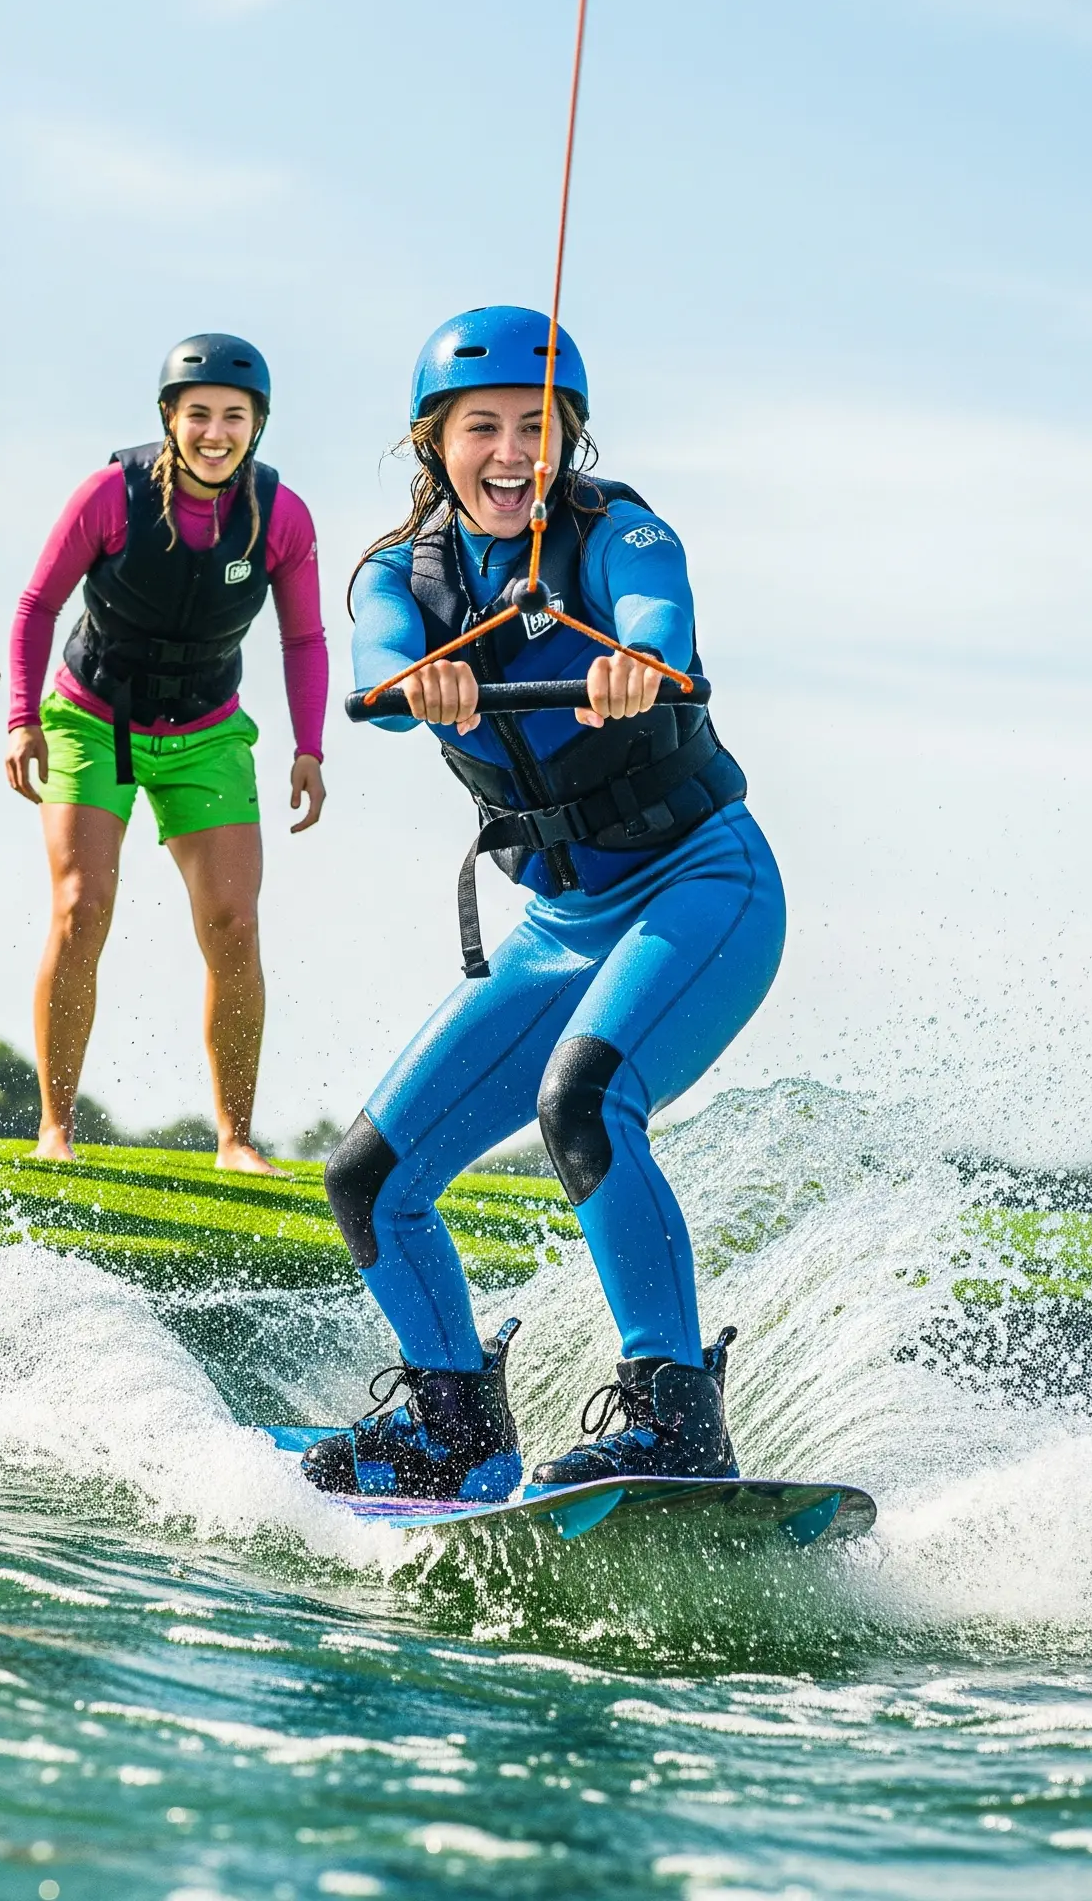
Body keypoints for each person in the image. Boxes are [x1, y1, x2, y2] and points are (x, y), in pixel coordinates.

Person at [302, 306, 783, 1501]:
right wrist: (418, 679)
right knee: (368, 1175)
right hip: (557, 921)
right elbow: (373, 664)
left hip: (699, 884)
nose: (511, 451)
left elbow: (659, 618)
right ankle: (452, 1421)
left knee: (583, 1101)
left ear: (568, 435)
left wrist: (637, 663)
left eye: (536, 426)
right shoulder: (394, 574)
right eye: (482, 428)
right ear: (433, 443)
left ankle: (674, 1416)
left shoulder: (620, 531)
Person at [6, 336, 328, 1172]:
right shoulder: (109, 495)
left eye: (234, 417)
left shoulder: (280, 516)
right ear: (169, 420)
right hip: (91, 720)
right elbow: (39, 604)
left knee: (234, 925)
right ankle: (55, 1128)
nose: (215, 433)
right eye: (199, 416)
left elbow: (304, 638)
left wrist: (309, 747)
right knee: (82, 908)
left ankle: (236, 1139)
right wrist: (20, 719)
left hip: (207, 731)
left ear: (257, 426)